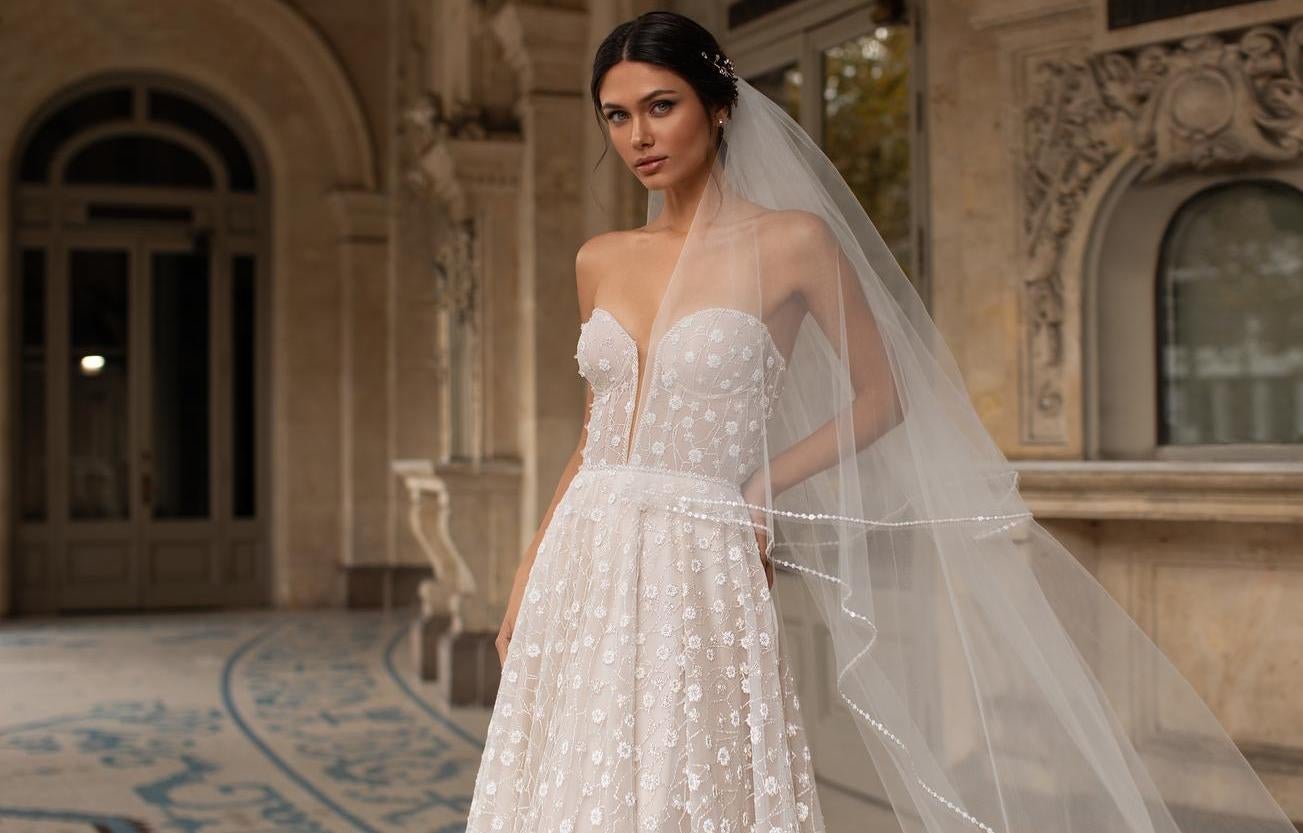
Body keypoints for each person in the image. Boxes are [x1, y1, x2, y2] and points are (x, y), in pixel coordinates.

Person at [465, 11, 1297, 833]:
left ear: (716, 107)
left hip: (699, 557)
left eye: (660, 105)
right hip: (584, 552)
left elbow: (883, 395)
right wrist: (526, 576)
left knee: (686, 784)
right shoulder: (599, 258)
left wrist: (762, 484)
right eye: (616, 116)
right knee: (568, 786)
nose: (638, 136)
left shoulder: (791, 242)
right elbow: (594, 438)